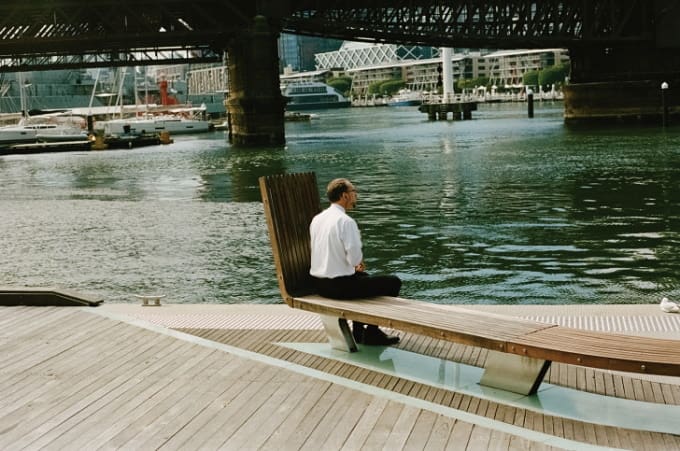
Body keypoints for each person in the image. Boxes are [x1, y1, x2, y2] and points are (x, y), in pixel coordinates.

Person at [309, 177, 401, 346]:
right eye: (354, 192)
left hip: (320, 284)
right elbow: (355, 259)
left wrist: (353, 266)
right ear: (345, 196)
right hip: (339, 287)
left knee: (365, 278)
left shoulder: (318, 219)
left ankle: (358, 332)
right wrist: (356, 263)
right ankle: (372, 332)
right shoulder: (346, 222)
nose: (355, 195)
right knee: (393, 283)